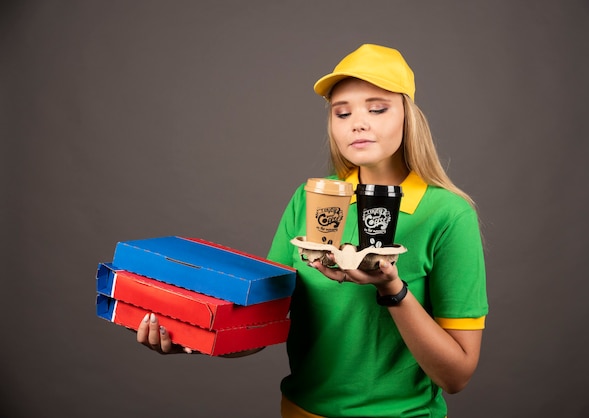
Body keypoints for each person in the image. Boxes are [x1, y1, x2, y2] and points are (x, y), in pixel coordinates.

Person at [137, 43, 489, 418]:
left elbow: (456, 376)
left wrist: (391, 289)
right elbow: (262, 322)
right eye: (342, 112)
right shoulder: (311, 199)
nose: (358, 122)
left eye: (378, 108)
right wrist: (191, 336)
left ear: (408, 116)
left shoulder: (449, 214)